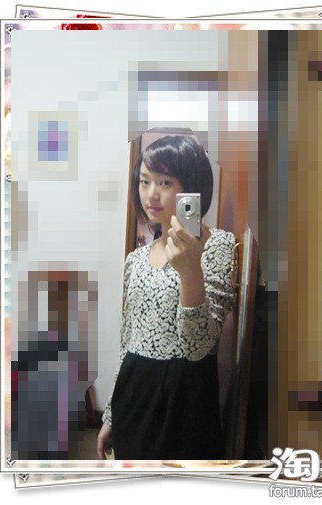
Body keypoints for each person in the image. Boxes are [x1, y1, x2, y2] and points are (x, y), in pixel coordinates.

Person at [96, 134, 236, 460]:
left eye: (165, 182)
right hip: (133, 393)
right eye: (144, 182)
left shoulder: (217, 245)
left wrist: (190, 271)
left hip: (184, 399)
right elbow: (127, 341)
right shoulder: (135, 260)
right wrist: (110, 416)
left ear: (192, 189)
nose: (151, 194)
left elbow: (197, 346)